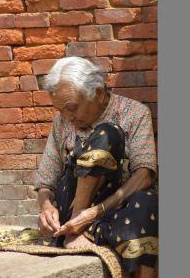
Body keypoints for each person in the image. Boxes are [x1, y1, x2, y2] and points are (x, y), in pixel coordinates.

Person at [34, 57, 158, 278]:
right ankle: (74, 230)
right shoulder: (62, 121)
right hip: (71, 210)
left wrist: (95, 212)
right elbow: (46, 178)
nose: (67, 116)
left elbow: (145, 175)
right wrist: (45, 207)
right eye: (60, 109)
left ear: (98, 93)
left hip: (112, 211)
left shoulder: (134, 113)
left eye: (72, 108)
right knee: (101, 137)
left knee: (147, 200)